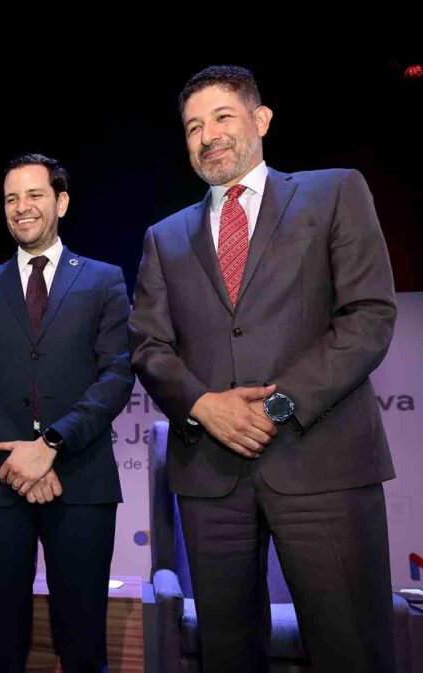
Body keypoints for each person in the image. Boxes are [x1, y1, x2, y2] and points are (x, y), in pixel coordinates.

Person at [129, 65, 398, 672]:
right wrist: (204, 406)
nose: (208, 136)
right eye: (193, 127)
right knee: (226, 655)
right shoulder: (163, 237)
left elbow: (367, 317)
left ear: (261, 119)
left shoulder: (334, 192)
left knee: (351, 650)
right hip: (212, 479)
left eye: (222, 117)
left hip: (323, 464)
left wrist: (279, 405)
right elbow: (148, 344)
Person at [0, 154, 134, 672]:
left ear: (62, 202)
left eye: (34, 195)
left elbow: (116, 376)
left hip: (80, 477)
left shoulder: (103, 280)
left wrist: (51, 445)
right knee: (0, 643)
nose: (21, 207)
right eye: (11, 198)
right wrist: (21, 458)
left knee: (82, 641)